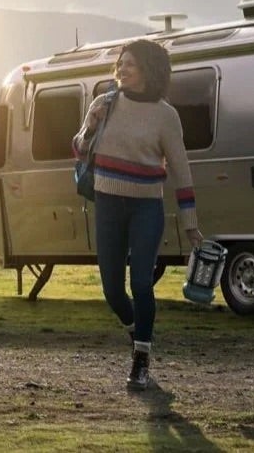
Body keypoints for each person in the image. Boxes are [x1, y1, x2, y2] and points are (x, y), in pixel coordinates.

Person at [72, 39, 203, 391]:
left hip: (147, 207)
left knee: (141, 283)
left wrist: (191, 225)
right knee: (112, 290)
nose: (122, 70)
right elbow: (80, 148)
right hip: (108, 205)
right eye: (121, 64)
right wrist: (90, 125)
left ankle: (141, 358)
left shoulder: (165, 116)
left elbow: (181, 171)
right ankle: (137, 333)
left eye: (130, 64)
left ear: (149, 70)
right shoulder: (105, 102)